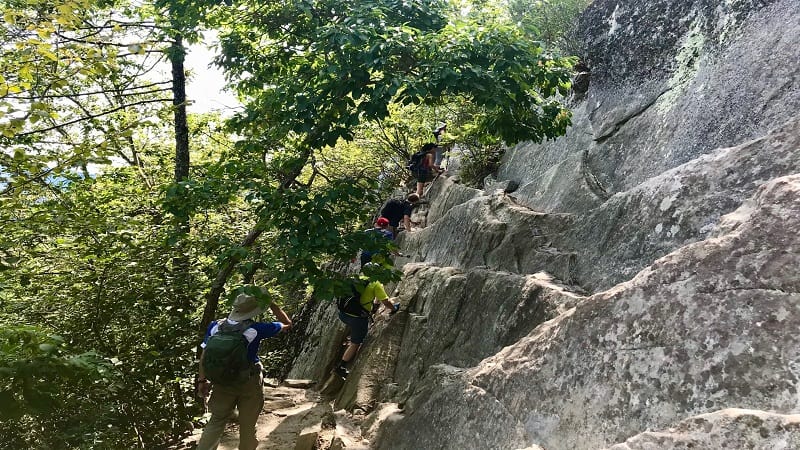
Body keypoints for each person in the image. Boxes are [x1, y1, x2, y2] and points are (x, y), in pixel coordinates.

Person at [196, 293, 292, 450]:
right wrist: (272, 304)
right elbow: (287, 324)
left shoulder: (215, 326)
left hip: (221, 382)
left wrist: (202, 380)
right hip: (249, 381)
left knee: (217, 420)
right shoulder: (256, 329)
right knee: (247, 424)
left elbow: (204, 356)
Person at [334, 269, 398, 379]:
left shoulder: (357, 279)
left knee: (356, 330)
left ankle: (352, 337)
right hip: (357, 318)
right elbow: (386, 301)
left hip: (344, 314)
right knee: (356, 343)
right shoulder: (376, 284)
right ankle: (341, 366)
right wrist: (394, 308)